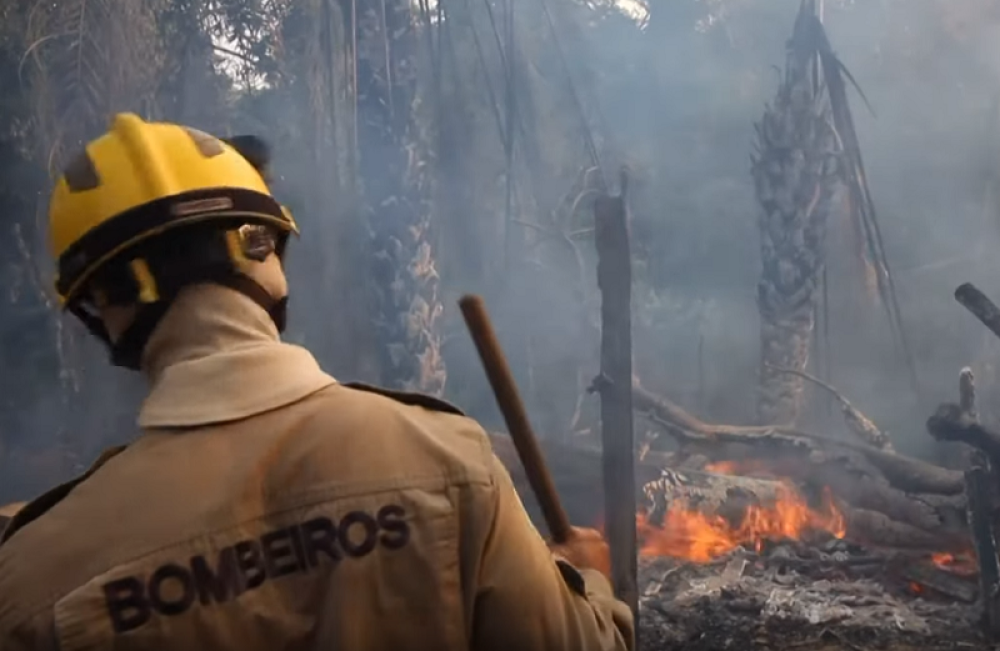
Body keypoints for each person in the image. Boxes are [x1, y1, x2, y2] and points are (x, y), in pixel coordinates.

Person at [0, 113, 635, 651]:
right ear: (268, 252)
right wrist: (589, 584)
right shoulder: (447, 460)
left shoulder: (33, 575)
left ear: (99, 307)